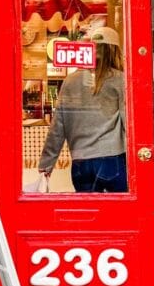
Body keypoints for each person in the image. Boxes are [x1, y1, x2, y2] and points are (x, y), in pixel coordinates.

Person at [38, 26, 127, 193]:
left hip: (80, 163)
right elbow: (128, 122)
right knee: (118, 215)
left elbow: (57, 127)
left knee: (90, 213)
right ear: (115, 51)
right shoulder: (120, 80)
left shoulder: (70, 81)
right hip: (112, 158)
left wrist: (46, 165)